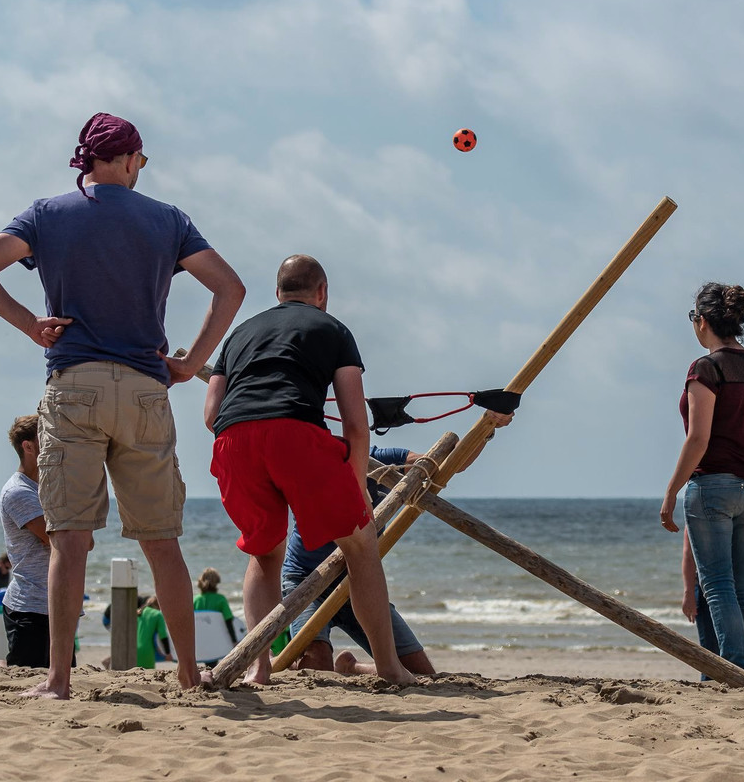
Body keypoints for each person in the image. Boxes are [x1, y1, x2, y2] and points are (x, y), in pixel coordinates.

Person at [0, 111, 245, 698]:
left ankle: (58, 680)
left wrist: (30, 324)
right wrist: (191, 363)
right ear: (130, 159)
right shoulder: (168, 219)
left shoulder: (46, 214)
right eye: (142, 160)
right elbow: (230, 287)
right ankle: (189, 674)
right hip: (144, 388)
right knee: (161, 541)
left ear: (86, 159)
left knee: (68, 539)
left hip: (75, 384)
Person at [205, 254, 415, 687]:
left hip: (233, 439)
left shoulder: (240, 332)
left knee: (264, 554)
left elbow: (211, 414)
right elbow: (355, 423)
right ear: (322, 293)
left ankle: (258, 669)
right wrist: (356, 484)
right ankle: (389, 668)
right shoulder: (333, 328)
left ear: (278, 293)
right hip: (296, 433)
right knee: (360, 546)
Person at [284, 415, 513, 676]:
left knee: (422, 673)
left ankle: (352, 667)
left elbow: (448, 463)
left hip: (359, 583)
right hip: (308, 580)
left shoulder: (378, 459)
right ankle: (288, 659)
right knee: (317, 666)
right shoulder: (310, 464)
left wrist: (487, 427)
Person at [659, 283, 744, 675]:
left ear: (703, 321)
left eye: (694, 317)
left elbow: (698, 438)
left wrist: (671, 492)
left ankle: (735, 667)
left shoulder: (705, 368)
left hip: (713, 486)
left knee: (718, 583)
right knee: (743, 585)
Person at [0, 414, 69, 669]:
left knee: (63, 677)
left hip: (57, 604)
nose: (54, 442)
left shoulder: (46, 488)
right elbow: (65, 543)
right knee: (24, 677)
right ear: (28, 447)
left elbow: (80, 541)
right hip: (30, 606)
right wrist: (68, 533)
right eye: (46, 438)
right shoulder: (18, 492)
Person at [682, 529, 744, 677]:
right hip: (711, 594)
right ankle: (712, 689)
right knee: (712, 658)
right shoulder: (700, 515)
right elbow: (689, 555)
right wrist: (689, 593)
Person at [193, 568, 237, 644]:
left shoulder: (195, 600)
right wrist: (234, 641)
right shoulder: (221, 599)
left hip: (199, 642)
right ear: (216, 582)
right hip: (218, 641)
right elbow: (228, 621)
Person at [137, 596, 172, 670]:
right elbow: (163, 635)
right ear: (160, 605)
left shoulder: (138, 612)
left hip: (133, 650)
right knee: (146, 674)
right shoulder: (157, 614)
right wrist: (168, 653)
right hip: (147, 651)